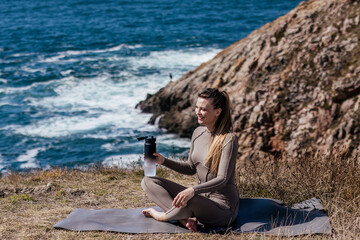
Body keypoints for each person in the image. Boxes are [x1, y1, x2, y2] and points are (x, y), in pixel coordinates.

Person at [141, 88, 239, 232]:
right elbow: (190, 168)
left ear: (218, 112)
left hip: (222, 209)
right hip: (200, 199)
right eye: (197, 107)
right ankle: (184, 219)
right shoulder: (198, 133)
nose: (198, 112)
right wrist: (164, 161)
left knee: (189, 199)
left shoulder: (228, 139)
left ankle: (161, 216)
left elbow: (222, 179)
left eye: (203, 109)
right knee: (148, 181)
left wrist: (193, 190)